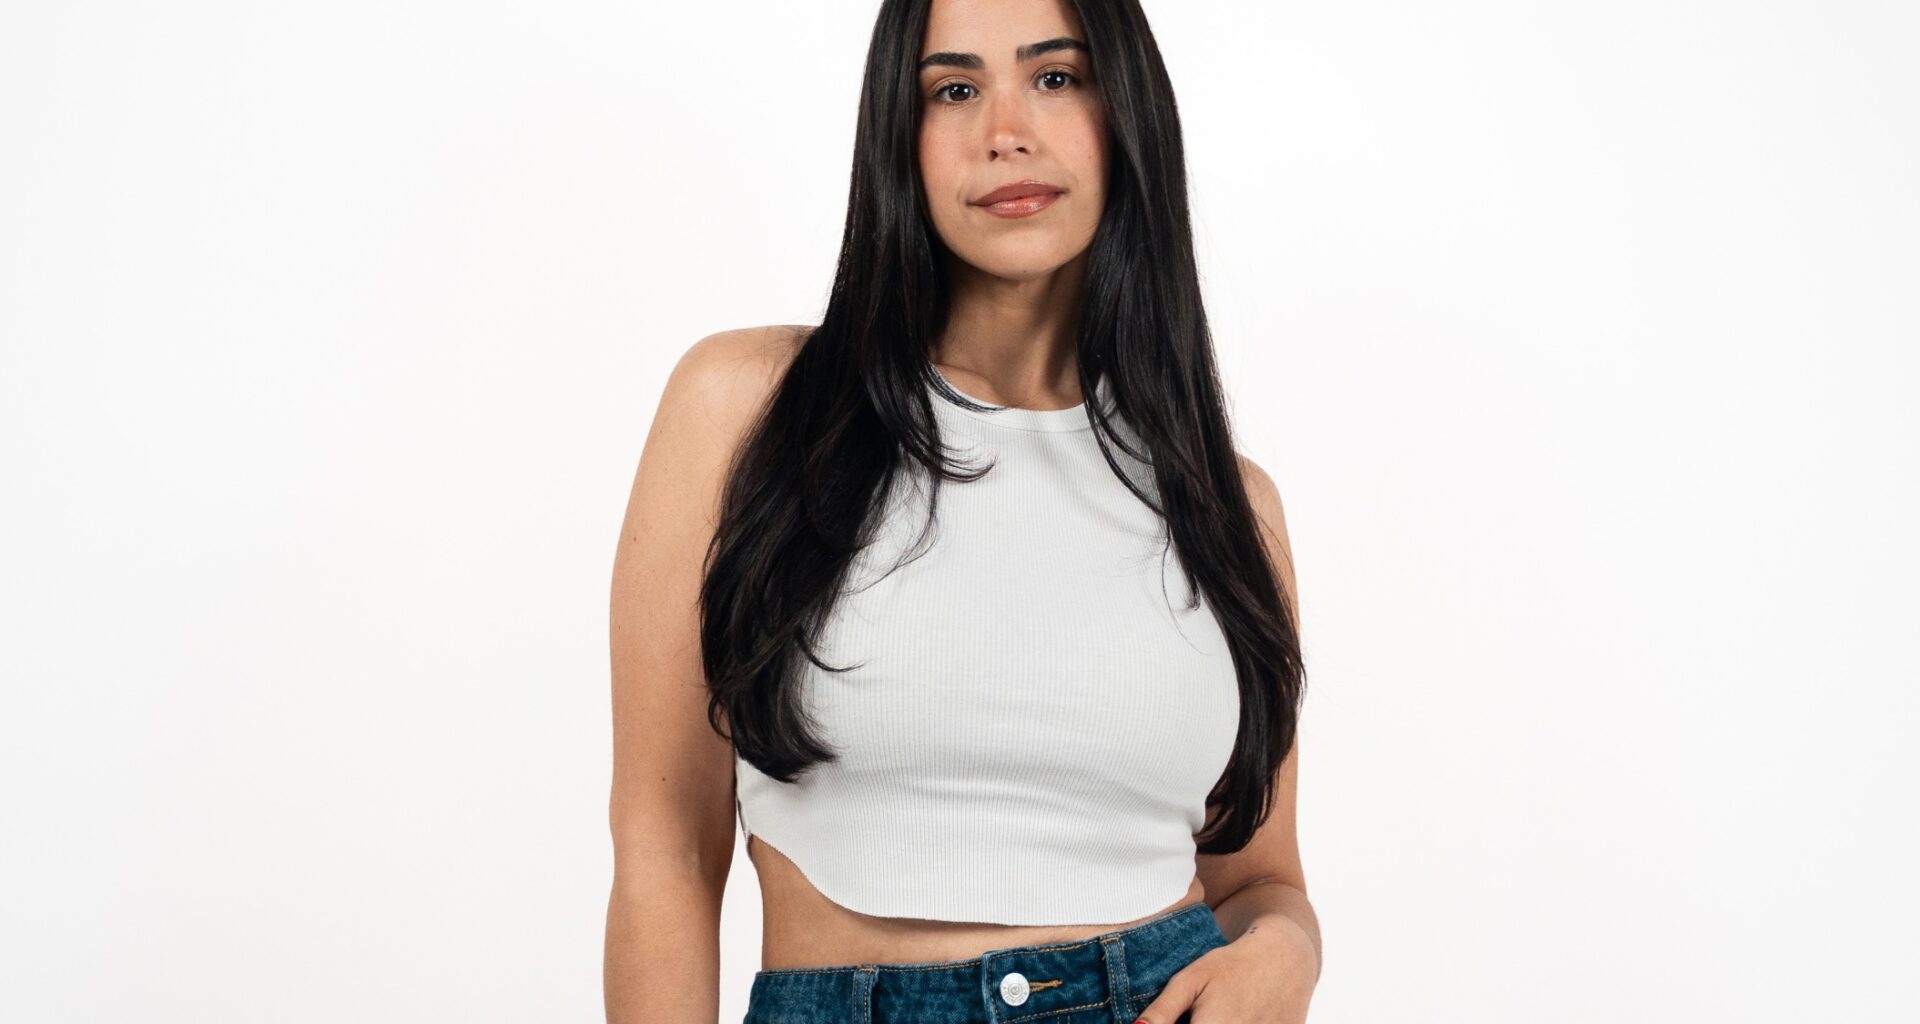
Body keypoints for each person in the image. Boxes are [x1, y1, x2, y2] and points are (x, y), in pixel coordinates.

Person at [605, 0, 1320, 1020]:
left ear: (1129, 112)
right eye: (954, 88)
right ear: (900, 138)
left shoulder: (1229, 506)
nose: (1006, 130)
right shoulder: (748, 411)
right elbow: (664, 849)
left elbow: (1260, 880)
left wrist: (1289, 948)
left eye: (1056, 76)